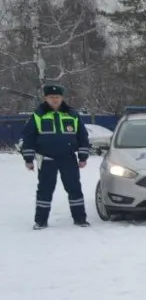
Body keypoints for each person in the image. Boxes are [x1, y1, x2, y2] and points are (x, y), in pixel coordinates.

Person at [20, 83, 91, 229]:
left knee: (74, 189)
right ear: (45, 98)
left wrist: (83, 157)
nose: (55, 100)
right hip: (47, 159)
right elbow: (28, 137)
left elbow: (82, 136)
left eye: (57, 97)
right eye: (51, 97)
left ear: (62, 97)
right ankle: (41, 221)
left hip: (68, 158)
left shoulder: (72, 114)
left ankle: (80, 219)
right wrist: (28, 159)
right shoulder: (38, 115)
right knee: (45, 191)